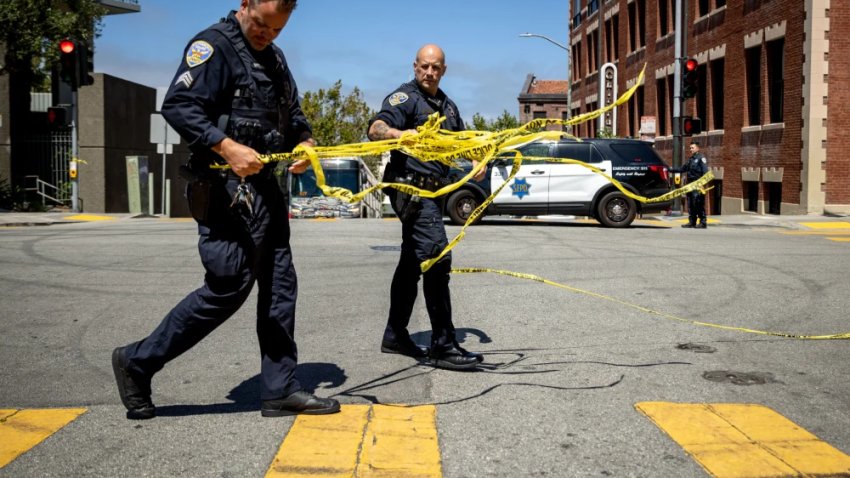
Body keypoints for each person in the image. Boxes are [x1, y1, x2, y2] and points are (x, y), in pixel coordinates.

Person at [111, 0, 340, 420]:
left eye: (276, 30)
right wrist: (226, 145)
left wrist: (305, 143)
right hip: (226, 190)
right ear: (244, 4)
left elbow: (296, 116)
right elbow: (179, 105)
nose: (266, 35)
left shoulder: (274, 58)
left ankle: (279, 388)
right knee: (227, 287)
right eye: (260, 25)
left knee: (280, 287)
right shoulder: (212, 47)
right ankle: (137, 361)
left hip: (266, 191)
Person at [367, 44, 486, 371]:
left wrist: (478, 157)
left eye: (435, 67)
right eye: (423, 66)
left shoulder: (447, 106)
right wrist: (397, 133)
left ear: (443, 70)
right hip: (411, 190)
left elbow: (462, 139)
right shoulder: (405, 99)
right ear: (415, 66)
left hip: (434, 192)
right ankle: (443, 344)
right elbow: (375, 128)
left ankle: (395, 334)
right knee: (437, 257)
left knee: (411, 262)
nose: (429, 72)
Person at [678, 141, 710, 228]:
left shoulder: (701, 158)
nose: (690, 149)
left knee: (698, 203)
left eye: (692, 148)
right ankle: (692, 221)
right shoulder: (691, 159)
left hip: (698, 184)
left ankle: (703, 222)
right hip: (690, 185)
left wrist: (702, 185)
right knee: (690, 203)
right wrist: (670, 169)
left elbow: (705, 173)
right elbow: (683, 169)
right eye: (690, 148)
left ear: (697, 148)